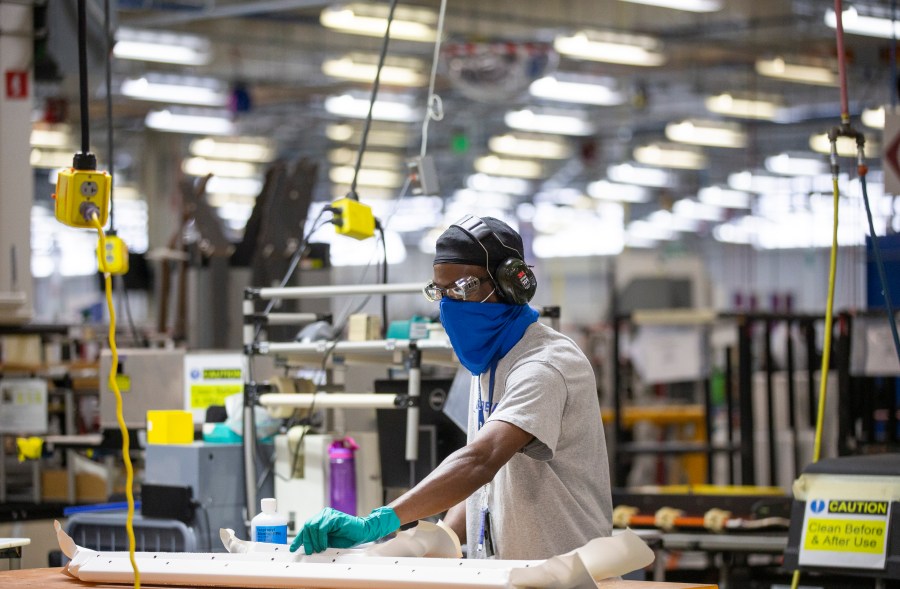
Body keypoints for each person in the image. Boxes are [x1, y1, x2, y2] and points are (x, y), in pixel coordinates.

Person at [290, 215, 612, 560]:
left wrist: (377, 522)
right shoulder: (488, 365)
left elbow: (480, 461)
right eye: (440, 293)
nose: (449, 306)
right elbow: (485, 485)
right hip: (512, 577)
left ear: (510, 283)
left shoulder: (545, 366)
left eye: (462, 289)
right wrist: (437, 538)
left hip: (571, 578)